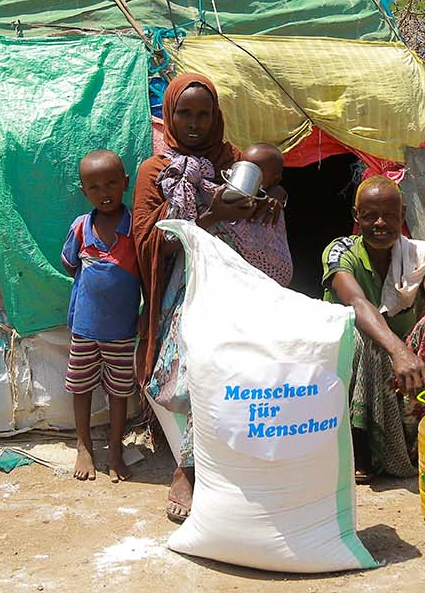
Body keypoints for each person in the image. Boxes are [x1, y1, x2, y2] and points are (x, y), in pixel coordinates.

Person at [131, 74, 285, 521]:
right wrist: (209, 215)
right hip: (184, 285)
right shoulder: (155, 170)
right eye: (184, 113)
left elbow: (267, 189)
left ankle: (232, 455)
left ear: (216, 116)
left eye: (204, 114)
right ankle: (189, 468)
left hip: (238, 278)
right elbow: (147, 238)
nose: (195, 123)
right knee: (200, 358)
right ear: (169, 115)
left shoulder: (234, 160)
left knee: (247, 358)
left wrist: (274, 194)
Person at [322, 176, 425, 481]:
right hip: (352, 362)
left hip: (403, 362)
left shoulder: (419, 256)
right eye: (370, 216)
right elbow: (357, 303)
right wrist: (398, 350)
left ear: (404, 215)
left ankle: (420, 432)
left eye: (390, 215)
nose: (380, 223)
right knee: (359, 334)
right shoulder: (340, 251)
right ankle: (361, 445)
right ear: (356, 216)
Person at [59, 150, 139, 483]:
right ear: (84, 192)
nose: (104, 192)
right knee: (81, 387)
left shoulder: (135, 227)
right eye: (94, 187)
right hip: (84, 328)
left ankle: (116, 449)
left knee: (119, 392)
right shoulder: (81, 227)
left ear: (125, 183)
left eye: (111, 183)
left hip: (121, 330)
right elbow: (68, 263)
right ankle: (83, 445)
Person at [237, 142, 294, 287]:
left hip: (266, 281)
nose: (246, 173)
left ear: (275, 180)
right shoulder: (227, 196)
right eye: (243, 166)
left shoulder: (272, 206)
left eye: (255, 170)